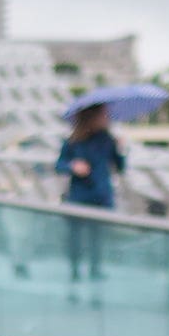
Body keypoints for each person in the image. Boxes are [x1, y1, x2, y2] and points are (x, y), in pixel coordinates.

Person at [55, 105, 122, 290]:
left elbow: (120, 166)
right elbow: (59, 165)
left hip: (100, 196)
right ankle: (75, 270)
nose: (107, 118)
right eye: (103, 115)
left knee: (97, 238)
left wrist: (120, 150)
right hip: (79, 197)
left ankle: (95, 269)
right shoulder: (73, 142)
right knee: (75, 238)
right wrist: (73, 166)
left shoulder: (107, 141)